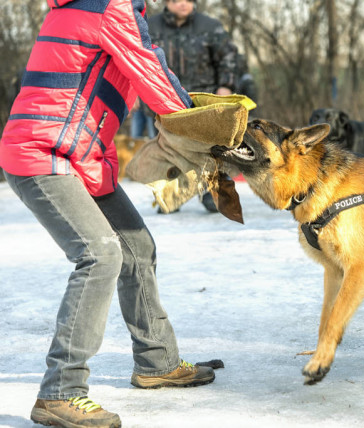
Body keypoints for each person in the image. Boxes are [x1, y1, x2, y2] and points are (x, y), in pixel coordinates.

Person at [0, 0, 217, 427]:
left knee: (135, 246)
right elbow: (153, 75)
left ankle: (157, 362)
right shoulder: (110, 5)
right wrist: (206, 127)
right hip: (44, 155)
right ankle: (59, 392)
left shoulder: (89, 6)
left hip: (79, 156)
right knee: (100, 254)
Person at [148, 0, 239, 213]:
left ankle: (214, 194)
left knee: (210, 149)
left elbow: (229, 57)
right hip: (164, 99)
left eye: (188, 0)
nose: (183, 4)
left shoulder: (209, 26)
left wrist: (226, 85)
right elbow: (137, 60)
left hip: (202, 101)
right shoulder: (150, 28)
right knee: (167, 149)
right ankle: (170, 196)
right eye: (177, 0)